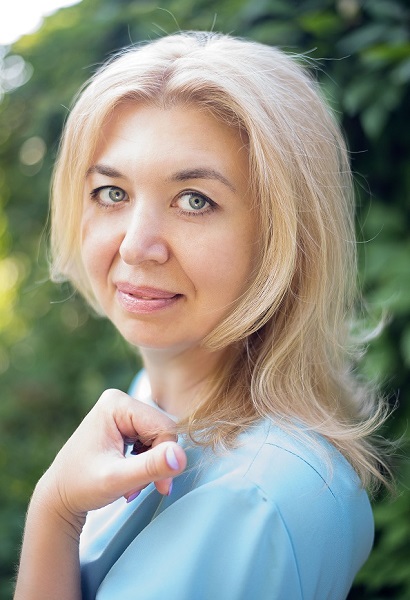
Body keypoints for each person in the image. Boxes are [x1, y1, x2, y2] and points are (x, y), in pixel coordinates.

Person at [14, 31, 390, 600]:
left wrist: (54, 514)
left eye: (195, 200)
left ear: (285, 235)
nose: (136, 246)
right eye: (111, 192)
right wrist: (56, 506)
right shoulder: (152, 401)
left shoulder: (253, 497)